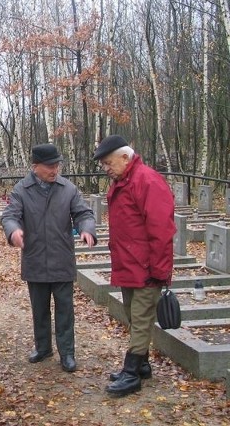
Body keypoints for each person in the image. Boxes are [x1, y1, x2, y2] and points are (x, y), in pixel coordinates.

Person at [2, 143, 97, 373]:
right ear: (35, 167)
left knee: (65, 310)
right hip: (35, 258)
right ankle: (43, 347)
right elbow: (10, 215)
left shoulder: (68, 189)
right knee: (40, 309)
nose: (55, 170)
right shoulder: (21, 190)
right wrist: (14, 230)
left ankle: (67, 353)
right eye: (49, 166)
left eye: (57, 165)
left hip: (62, 258)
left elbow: (83, 213)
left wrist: (87, 228)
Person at [93, 135, 176, 397]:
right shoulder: (124, 181)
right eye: (104, 164)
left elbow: (161, 230)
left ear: (125, 157)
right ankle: (142, 366)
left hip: (146, 268)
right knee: (132, 314)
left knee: (140, 319)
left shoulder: (147, 180)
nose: (106, 169)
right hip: (129, 265)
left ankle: (131, 374)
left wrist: (159, 272)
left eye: (108, 163)